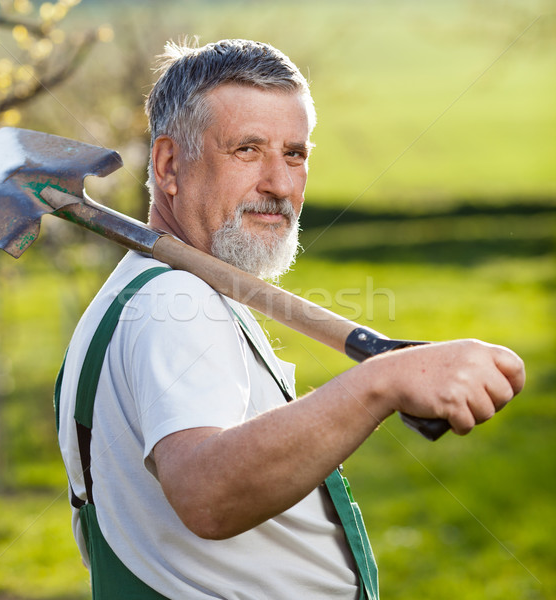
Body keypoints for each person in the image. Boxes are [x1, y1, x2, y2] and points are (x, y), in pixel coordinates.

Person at [56, 39, 525, 599]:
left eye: (295, 154)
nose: (280, 184)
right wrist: (380, 382)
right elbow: (207, 493)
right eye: (247, 150)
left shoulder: (141, 292)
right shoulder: (174, 305)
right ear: (170, 165)